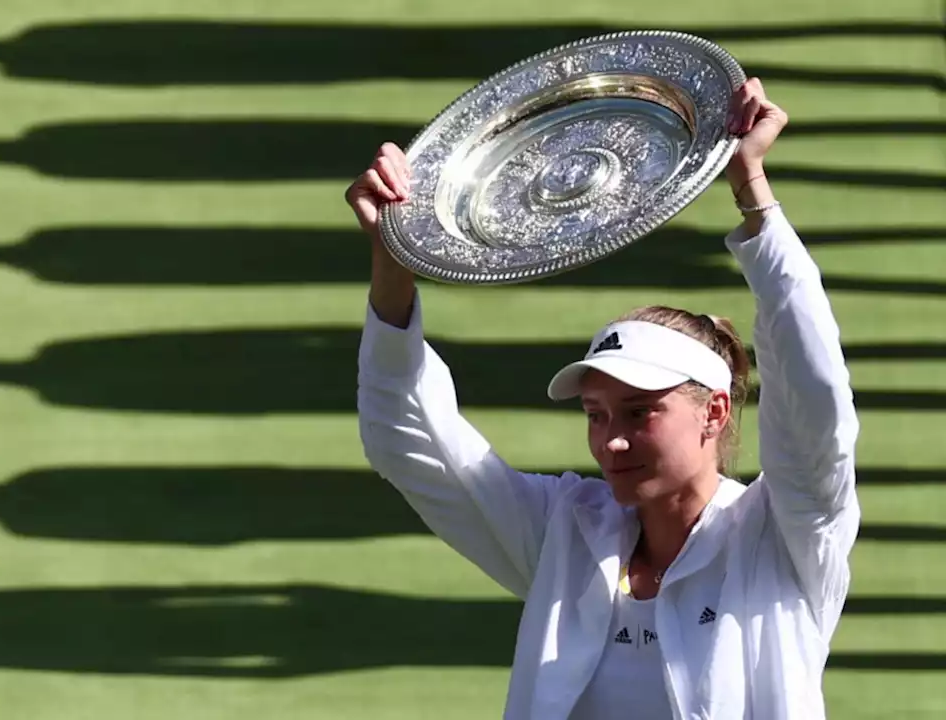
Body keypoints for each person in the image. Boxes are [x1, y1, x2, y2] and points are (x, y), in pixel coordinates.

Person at [347, 78, 860, 719]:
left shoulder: (788, 533)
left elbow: (816, 396)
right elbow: (406, 437)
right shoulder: (564, 528)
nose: (610, 442)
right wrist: (394, 257)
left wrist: (752, 195)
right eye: (596, 414)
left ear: (716, 411)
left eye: (641, 412)